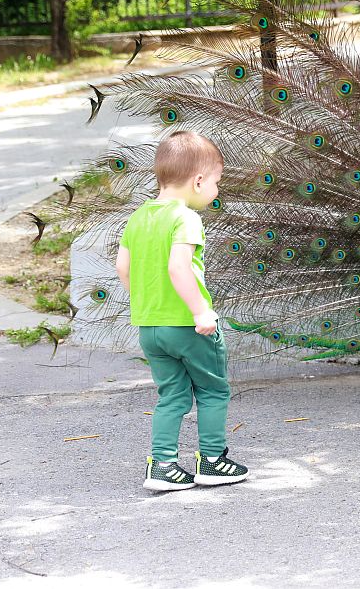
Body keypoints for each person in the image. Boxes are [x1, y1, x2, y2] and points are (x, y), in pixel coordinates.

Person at [115, 130, 248, 491]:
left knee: (171, 395)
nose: (217, 190)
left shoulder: (138, 217)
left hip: (149, 327)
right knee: (213, 390)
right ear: (199, 180)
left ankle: (161, 466)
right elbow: (179, 268)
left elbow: (122, 269)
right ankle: (212, 460)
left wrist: (145, 303)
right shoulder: (186, 218)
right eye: (217, 183)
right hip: (188, 326)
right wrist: (200, 311)